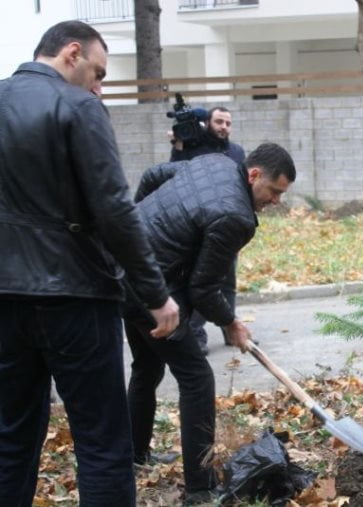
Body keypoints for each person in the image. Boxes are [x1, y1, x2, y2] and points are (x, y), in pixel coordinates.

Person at [0, 20, 180, 507]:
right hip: (76, 296)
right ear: (71, 54)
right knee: (102, 443)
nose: (99, 87)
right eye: (98, 73)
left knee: (9, 438)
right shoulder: (79, 106)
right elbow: (114, 209)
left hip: (4, 299)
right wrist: (156, 294)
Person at [124, 143, 296, 505]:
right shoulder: (236, 216)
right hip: (153, 295)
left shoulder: (214, 162)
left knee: (147, 367)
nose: (276, 201)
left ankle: (135, 455)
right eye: (274, 191)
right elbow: (204, 289)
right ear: (253, 175)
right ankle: (200, 489)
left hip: (125, 271)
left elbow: (154, 175)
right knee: (197, 379)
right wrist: (231, 322)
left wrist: (139, 225)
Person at [169, 106, 246, 354]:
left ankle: (229, 329)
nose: (224, 127)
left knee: (229, 281)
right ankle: (197, 334)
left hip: (229, 224)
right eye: (219, 121)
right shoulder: (192, 147)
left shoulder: (236, 152)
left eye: (228, 123)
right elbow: (175, 176)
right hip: (200, 224)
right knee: (204, 280)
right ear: (208, 123)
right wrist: (178, 147)